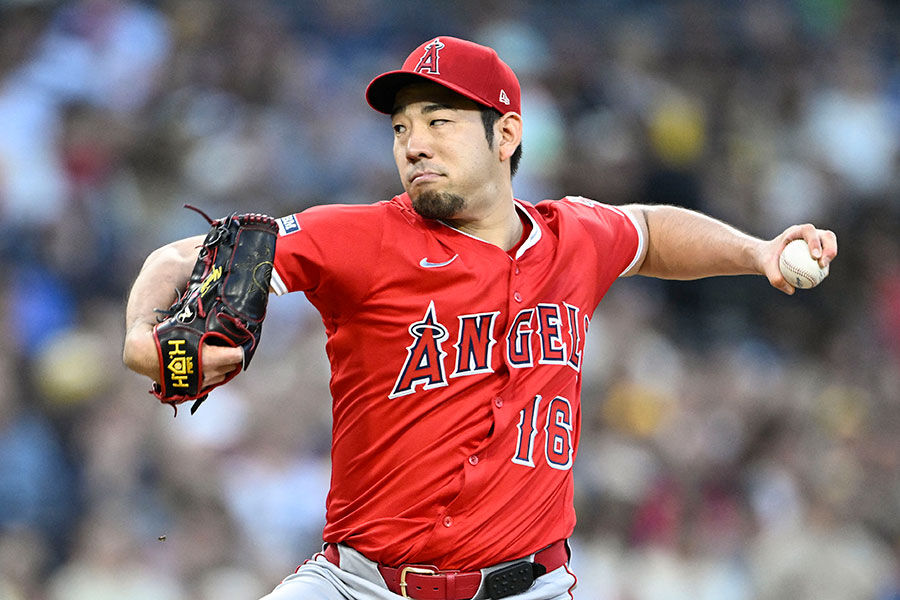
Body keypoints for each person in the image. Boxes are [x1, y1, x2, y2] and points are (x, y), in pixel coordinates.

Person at [123, 36, 838, 600]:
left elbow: (647, 231)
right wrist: (149, 342)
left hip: (529, 586)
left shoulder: (573, 238)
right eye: (401, 127)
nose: (414, 143)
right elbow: (182, 256)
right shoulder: (360, 237)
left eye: (440, 121)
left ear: (506, 136)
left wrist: (756, 252)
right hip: (361, 585)